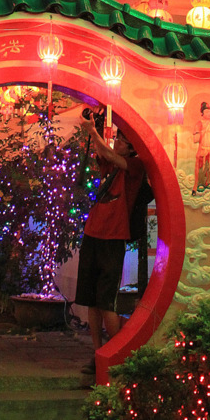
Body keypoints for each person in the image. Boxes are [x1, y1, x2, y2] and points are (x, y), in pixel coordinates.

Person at [76, 117, 146, 376]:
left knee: (106, 301)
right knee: (90, 300)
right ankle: (97, 353)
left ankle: (117, 352)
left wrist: (93, 131)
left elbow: (109, 154)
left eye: (120, 140)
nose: (115, 142)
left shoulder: (135, 166)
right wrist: (95, 130)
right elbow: (102, 153)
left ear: (129, 148)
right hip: (92, 233)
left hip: (114, 237)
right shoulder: (108, 161)